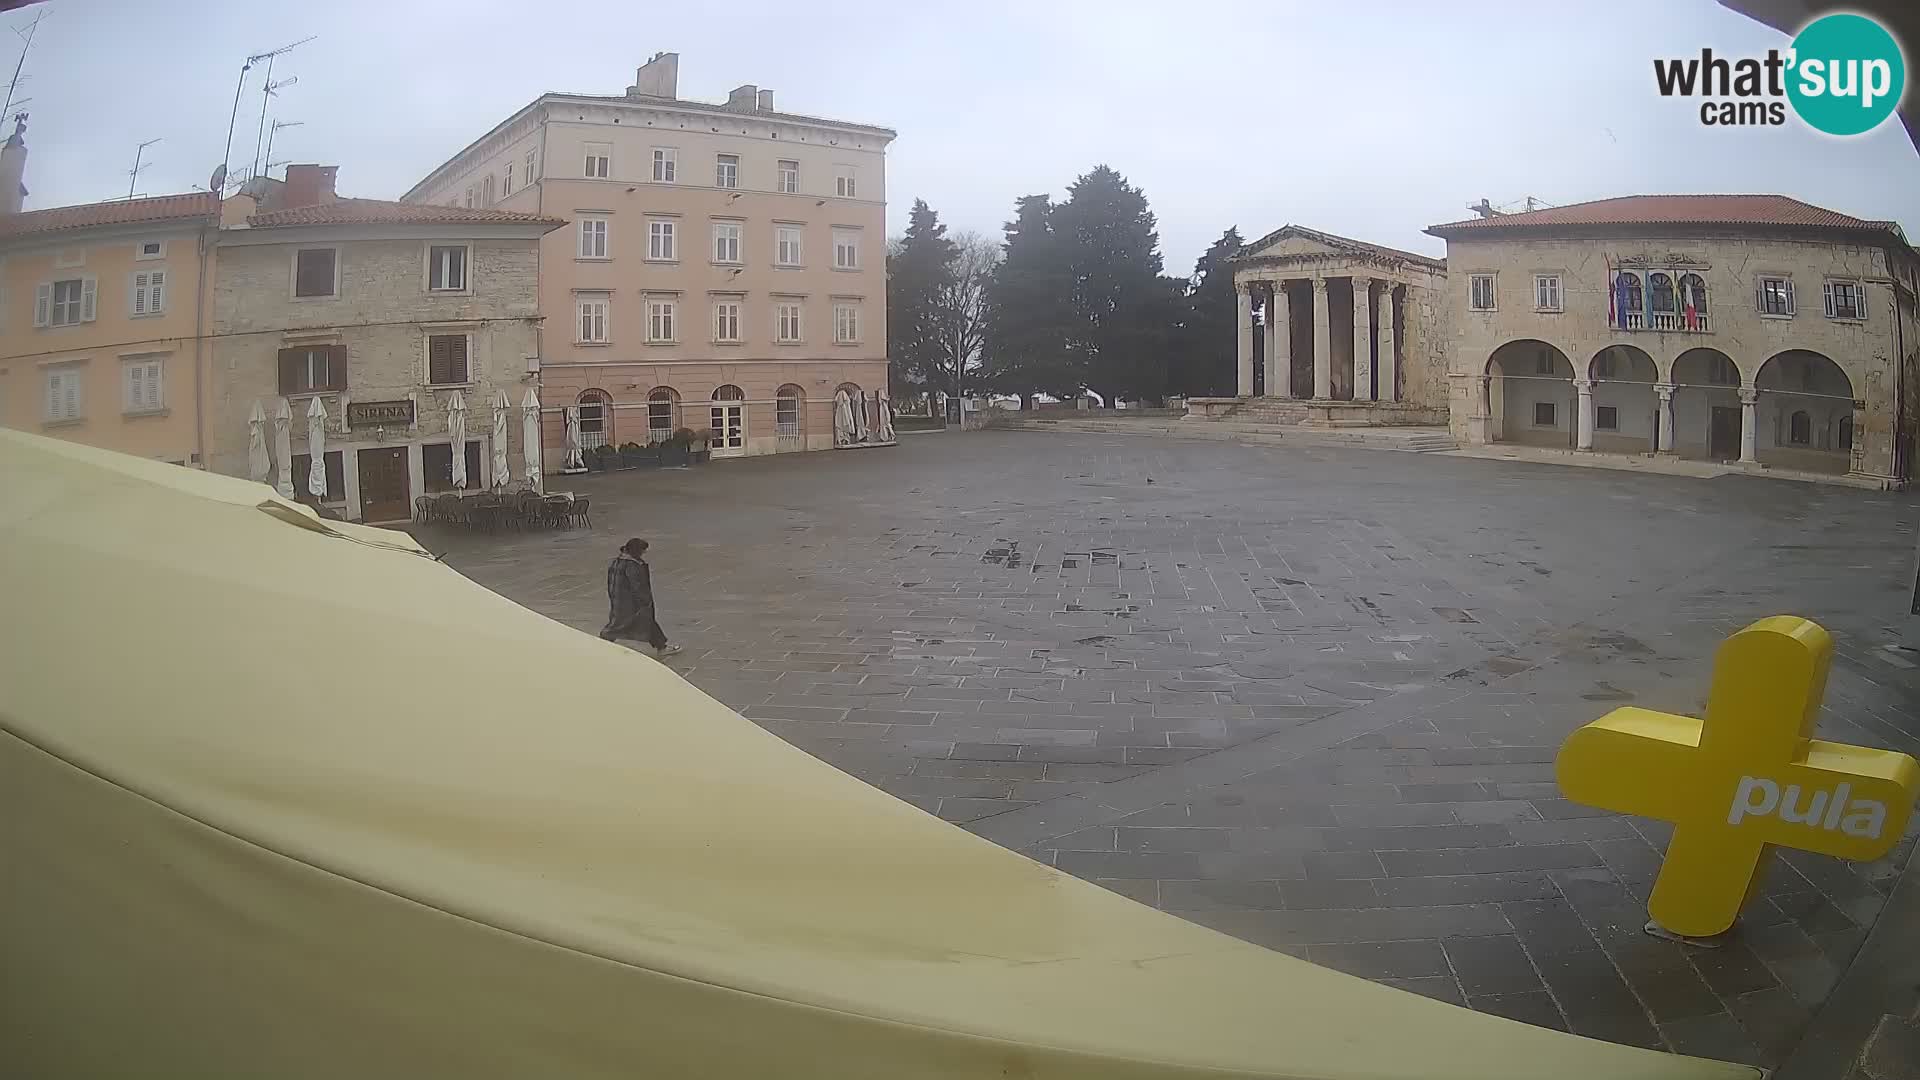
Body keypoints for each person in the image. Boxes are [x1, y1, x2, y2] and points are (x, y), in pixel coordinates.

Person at [600, 538, 680, 657]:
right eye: (643, 551)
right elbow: (637, 585)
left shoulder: (616, 561)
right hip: (631, 602)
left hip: (618, 599)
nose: (644, 554)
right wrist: (645, 601)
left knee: (623, 622)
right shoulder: (632, 565)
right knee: (623, 624)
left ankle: (661, 645)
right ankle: (661, 647)